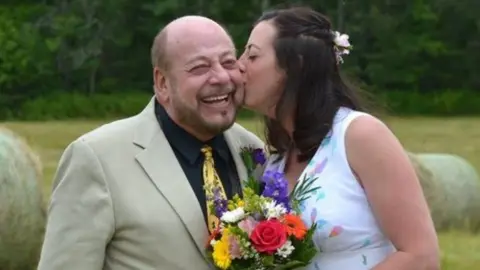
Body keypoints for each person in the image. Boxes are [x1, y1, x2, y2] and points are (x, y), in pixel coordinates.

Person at [37, 15, 264, 270]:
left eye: (228, 62)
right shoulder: (96, 159)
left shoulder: (253, 150)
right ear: (162, 83)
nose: (221, 77)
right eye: (200, 68)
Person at [238, 6, 440, 270]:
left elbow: (421, 257)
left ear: (295, 65)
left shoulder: (360, 136)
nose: (238, 65)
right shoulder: (276, 159)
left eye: (252, 55)